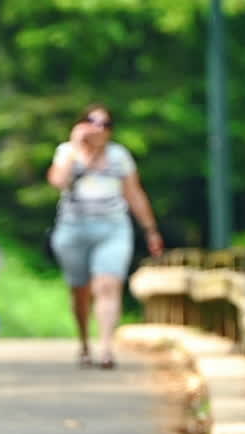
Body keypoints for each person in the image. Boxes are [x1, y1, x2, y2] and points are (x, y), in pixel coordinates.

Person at [47, 103, 163, 369]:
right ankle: (84, 342)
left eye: (105, 124)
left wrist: (150, 229)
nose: (98, 129)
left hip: (113, 227)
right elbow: (57, 181)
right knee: (80, 290)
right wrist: (76, 148)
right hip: (73, 228)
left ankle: (106, 347)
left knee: (107, 285)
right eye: (92, 122)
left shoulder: (119, 156)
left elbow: (134, 193)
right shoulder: (67, 153)